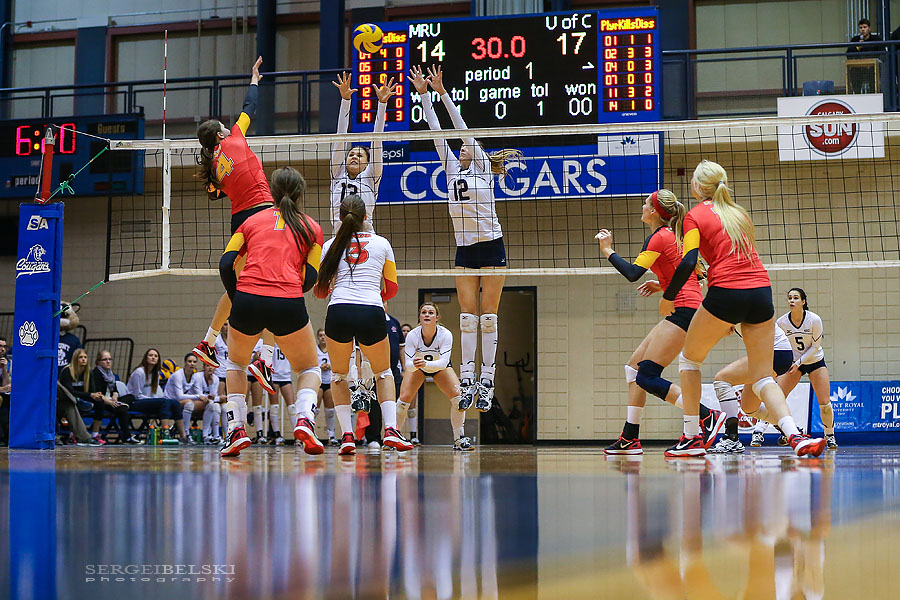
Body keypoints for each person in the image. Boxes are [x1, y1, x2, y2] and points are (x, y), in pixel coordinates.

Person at [659, 159, 825, 458]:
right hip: (761, 292)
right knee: (762, 377)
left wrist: (669, 296)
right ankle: (795, 435)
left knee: (689, 360)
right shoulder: (739, 214)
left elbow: (688, 260)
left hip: (727, 292)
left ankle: (692, 437)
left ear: (696, 187)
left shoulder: (694, 216)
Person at [412, 65, 522, 412]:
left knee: (487, 316)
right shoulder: (450, 167)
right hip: (464, 248)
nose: (461, 150)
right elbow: (437, 134)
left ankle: (487, 378)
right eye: (459, 149)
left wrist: (443, 92)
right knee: (466, 317)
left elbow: (461, 130)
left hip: (491, 244)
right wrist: (426, 98)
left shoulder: (482, 170)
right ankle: (469, 375)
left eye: (467, 148)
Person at [596, 189, 724, 455]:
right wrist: (662, 284)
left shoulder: (657, 238)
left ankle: (706, 415)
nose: (642, 207)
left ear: (653, 211)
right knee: (633, 370)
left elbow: (632, 273)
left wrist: (608, 250)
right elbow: (695, 275)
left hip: (684, 311)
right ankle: (629, 438)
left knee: (647, 376)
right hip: (687, 307)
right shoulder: (673, 236)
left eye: (645, 204)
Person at [219, 166, 324, 458]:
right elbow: (311, 278)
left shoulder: (251, 221)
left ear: (272, 194)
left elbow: (226, 263)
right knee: (309, 368)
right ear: (301, 194)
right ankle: (304, 418)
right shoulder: (312, 228)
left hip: (247, 299)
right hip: (287, 301)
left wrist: (237, 297)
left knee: (236, 365)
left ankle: (236, 430)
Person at [192, 56, 277, 395]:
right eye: (223, 127)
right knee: (276, 286)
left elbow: (214, 192)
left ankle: (209, 340)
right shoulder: (236, 135)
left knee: (238, 288)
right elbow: (250, 105)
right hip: (262, 215)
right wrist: (254, 78)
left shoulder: (213, 169)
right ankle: (266, 358)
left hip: (239, 224)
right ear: (220, 133)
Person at [313, 194, 412, 454]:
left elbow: (320, 292)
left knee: (338, 375)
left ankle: (347, 436)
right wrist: (374, 296)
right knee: (383, 373)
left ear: (339, 218)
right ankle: (390, 430)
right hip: (370, 310)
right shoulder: (382, 243)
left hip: (339, 311)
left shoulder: (330, 246)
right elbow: (391, 288)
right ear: (366, 218)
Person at [330, 73, 398, 411]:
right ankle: (355, 383)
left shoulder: (372, 178)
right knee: (345, 323)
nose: (355, 156)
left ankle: (366, 385)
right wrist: (346, 101)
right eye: (351, 154)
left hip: (367, 247)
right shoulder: (335, 174)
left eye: (361, 154)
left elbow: (377, 141)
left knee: (376, 320)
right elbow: (340, 139)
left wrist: (382, 105)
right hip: (339, 248)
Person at [708, 323, 795, 453]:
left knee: (722, 380)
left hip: (772, 352)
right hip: (778, 353)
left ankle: (731, 439)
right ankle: (794, 431)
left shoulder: (734, 305)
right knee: (749, 407)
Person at [398, 303, 472, 450]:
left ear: (437, 317)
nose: (427, 315)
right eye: (424, 312)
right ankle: (393, 436)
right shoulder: (413, 335)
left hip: (439, 368)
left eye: (431, 313)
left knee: (458, 398)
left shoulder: (445, 334)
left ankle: (459, 439)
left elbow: (443, 363)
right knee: (403, 400)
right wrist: (417, 365)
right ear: (419, 316)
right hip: (417, 368)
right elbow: (408, 365)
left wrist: (423, 363)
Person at [775, 288, 837, 449]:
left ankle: (829, 435)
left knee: (824, 403)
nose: (792, 301)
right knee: (777, 398)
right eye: (789, 298)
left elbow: (816, 347)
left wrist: (799, 363)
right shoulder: (781, 322)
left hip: (814, 361)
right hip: (793, 363)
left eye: (795, 298)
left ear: (803, 302)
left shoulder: (814, 320)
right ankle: (788, 432)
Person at [126, 348, 189, 443]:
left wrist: (155, 400)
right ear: (145, 358)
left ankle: (183, 436)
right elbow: (136, 395)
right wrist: (154, 400)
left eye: (155, 356)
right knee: (164, 402)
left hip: (148, 402)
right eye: (150, 355)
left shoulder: (156, 374)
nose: (153, 358)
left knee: (175, 403)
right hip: (135, 402)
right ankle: (165, 434)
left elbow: (155, 393)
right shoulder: (139, 372)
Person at [90, 350, 139, 444]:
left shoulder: (110, 373)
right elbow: (97, 393)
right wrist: (111, 402)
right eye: (105, 359)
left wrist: (115, 396)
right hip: (102, 401)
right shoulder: (96, 373)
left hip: (112, 400)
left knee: (131, 396)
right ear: (98, 362)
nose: (108, 361)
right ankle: (127, 437)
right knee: (123, 409)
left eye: (110, 359)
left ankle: (122, 405)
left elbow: (115, 390)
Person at [58, 349, 105, 445]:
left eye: (85, 357)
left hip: (83, 398)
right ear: (75, 359)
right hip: (67, 398)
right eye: (80, 357)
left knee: (100, 403)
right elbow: (69, 391)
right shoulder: (67, 371)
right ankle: (74, 435)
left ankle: (95, 433)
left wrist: (96, 395)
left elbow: (91, 390)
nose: (83, 359)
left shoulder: (88, 372)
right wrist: (89, 395)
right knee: (73, 402)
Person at [164, 353, 207, 443]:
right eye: (189, 361)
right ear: (185, 363)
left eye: (194, 362)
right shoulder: (178, 375)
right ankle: (185, 434)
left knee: (210, 404)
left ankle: (209, 435)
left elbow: (199, 393)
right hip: (169, 402)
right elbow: (179, 396)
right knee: (189, 403)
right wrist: (198, 396)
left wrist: (206, 397)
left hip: (180, 403)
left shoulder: (195, 376)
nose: (192, 364)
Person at [315, 328, 338, 446]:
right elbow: (311, 364)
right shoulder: (315, 349)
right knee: (315, 410)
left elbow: (338, 363)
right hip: (318, 381)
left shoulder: (332, 350)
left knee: (330, 411)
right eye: (320, 335)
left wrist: (330, 366)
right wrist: (320, 367)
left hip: (329, 381)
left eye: (324, 335)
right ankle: (312, 433)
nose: (322, 337)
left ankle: (331, 435)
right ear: (317, 337)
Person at [199, 362, 223, 444]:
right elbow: (199, 394)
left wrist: (211, 383)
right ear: (203, 367)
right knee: (212, 405)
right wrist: (219, 398)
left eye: (212, 366)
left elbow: (213, 396)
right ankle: (205, 435)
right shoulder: (198, 376)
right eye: (207, 365)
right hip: (197, 402)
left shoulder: (215, 378)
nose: (210, 368)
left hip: (209, 403)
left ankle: (216, 435)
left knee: (216, 406)